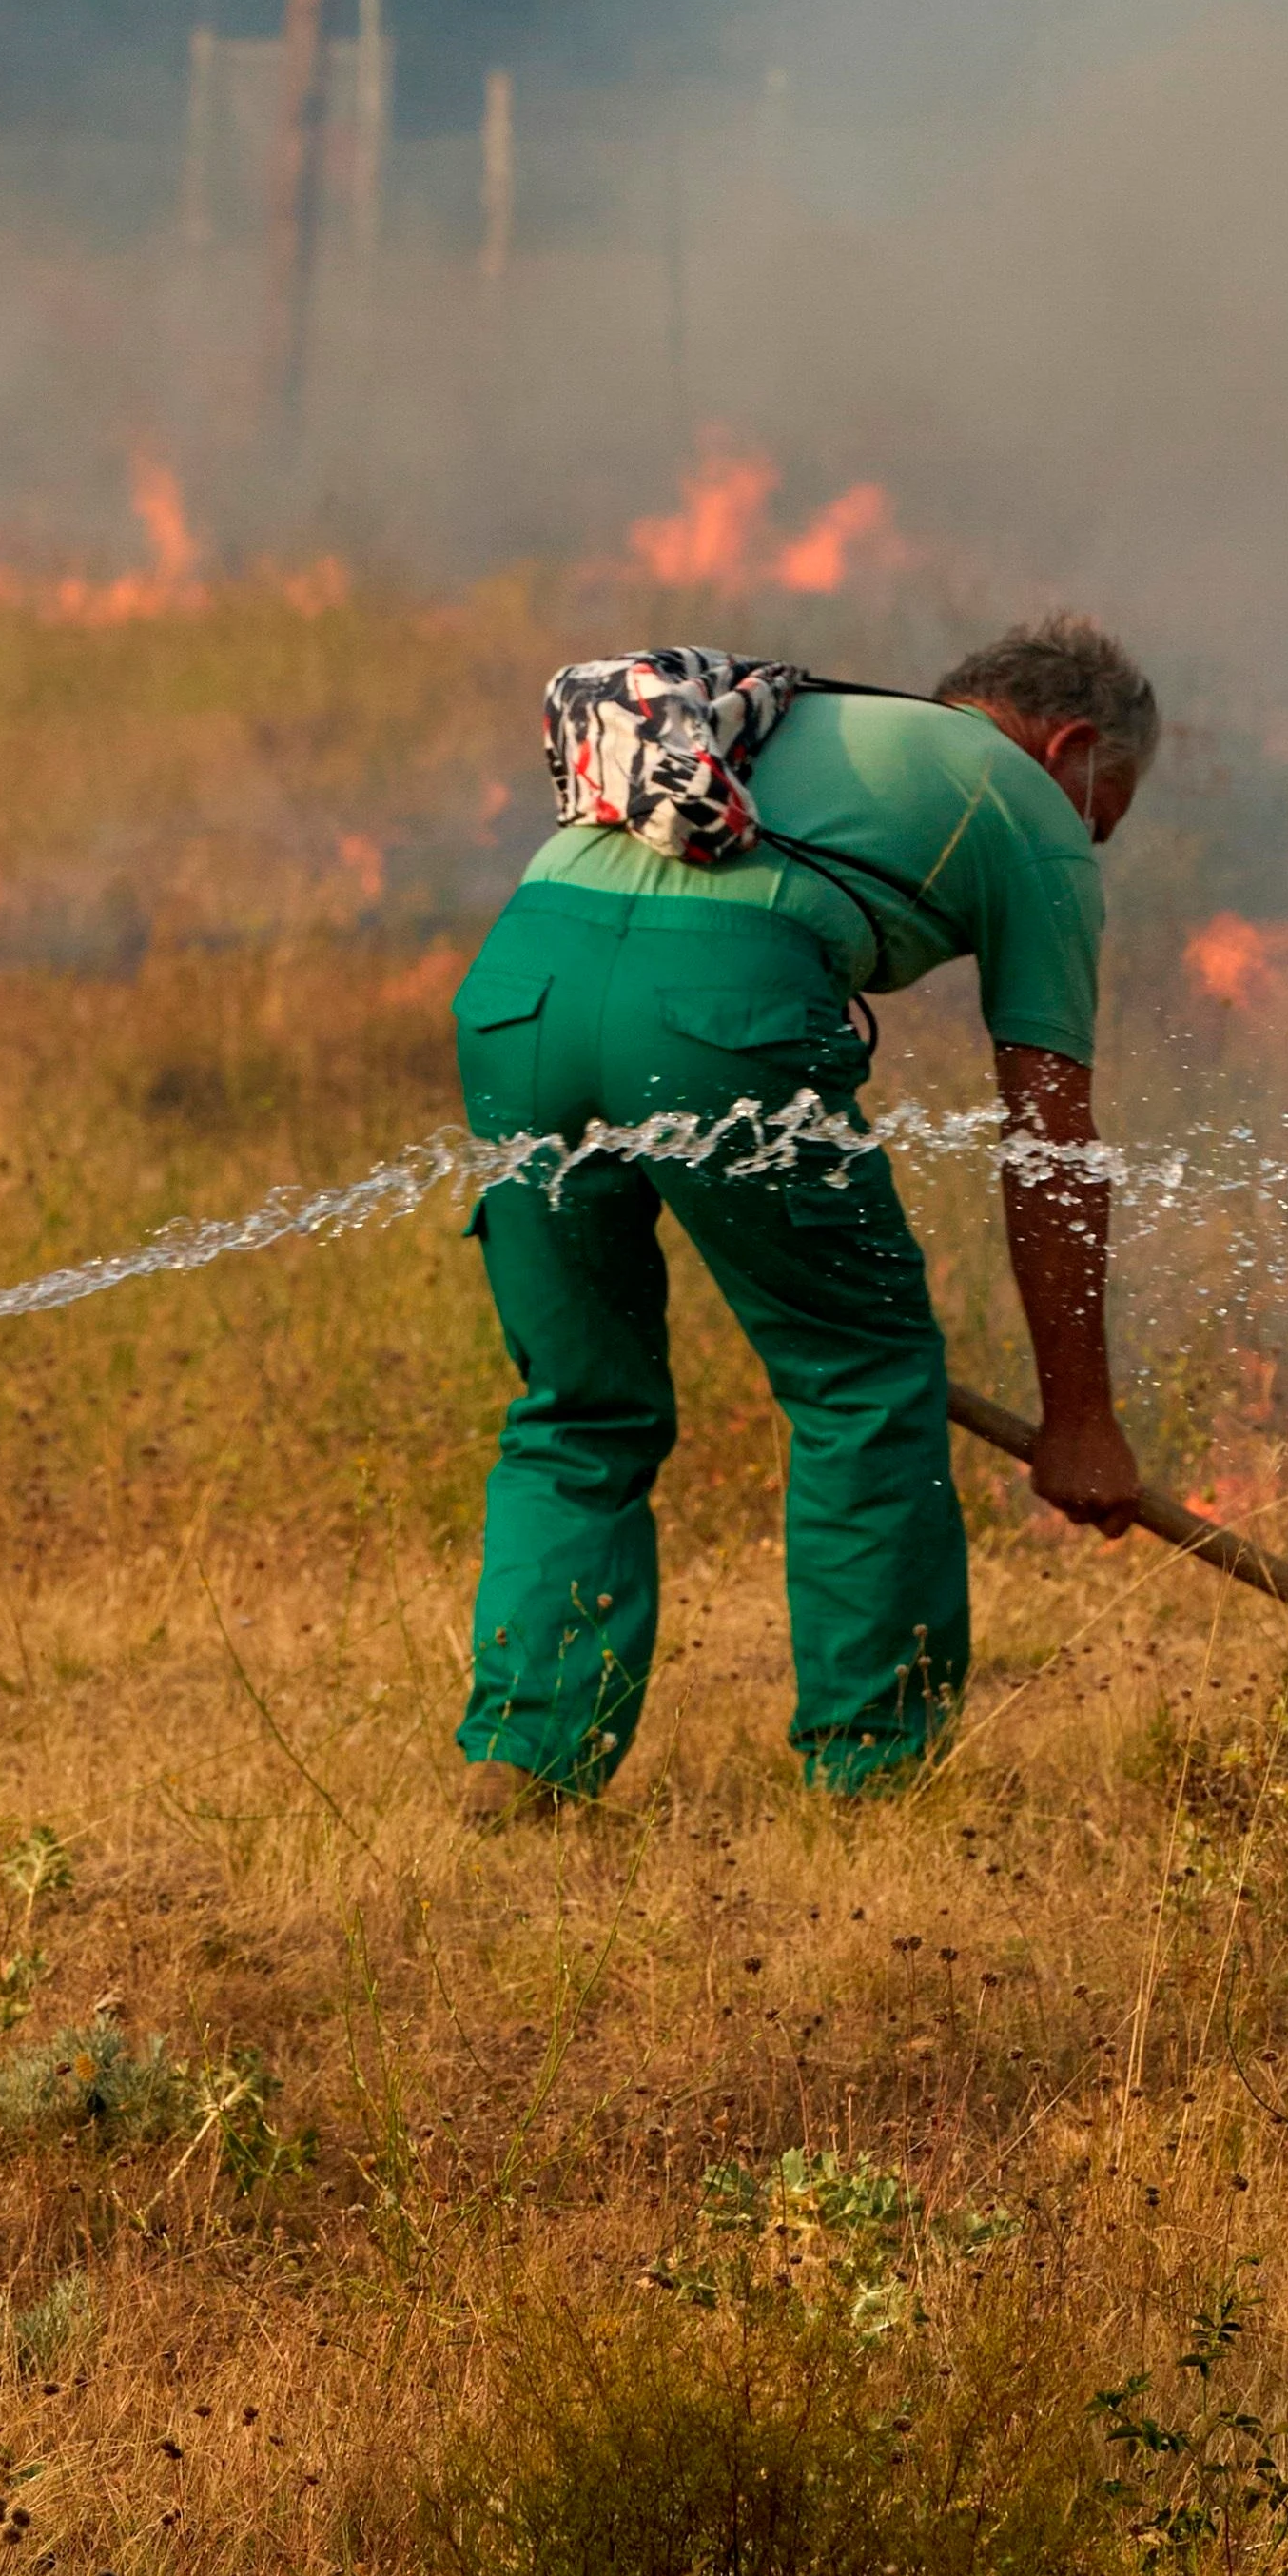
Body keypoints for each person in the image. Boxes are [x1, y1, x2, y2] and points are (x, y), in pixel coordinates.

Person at [449, 617, 1164, 1817]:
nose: (1094, 838)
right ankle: (873, 1774)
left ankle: (521, 1764)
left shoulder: (795, 721)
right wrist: (1080, 1418)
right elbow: (1049, 1141)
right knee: (862, 1377)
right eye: (1109, 807)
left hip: (519, 991)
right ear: (1073, 748)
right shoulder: (1031, 808)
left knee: (579, 1404)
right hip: (713, 1010)